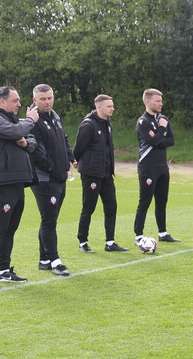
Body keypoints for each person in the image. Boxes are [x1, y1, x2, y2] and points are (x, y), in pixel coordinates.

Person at [0, 86, 40, 289]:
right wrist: (29, 121)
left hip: (16, 181)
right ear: (2, 101)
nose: (19, 104)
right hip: (0, 182)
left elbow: (31, 142)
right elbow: (17, 132)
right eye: (15, 100)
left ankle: (3, 270)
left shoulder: (10, 121)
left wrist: (24, 140)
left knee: (10, 229)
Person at [28, 84, 75, 276]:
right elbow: (34, 151)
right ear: (35, 100)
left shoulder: (55, 116)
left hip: (59, 177)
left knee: (50, 219)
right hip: (44, 179)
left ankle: (44, 260)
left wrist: (70, 157)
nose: (47, 102)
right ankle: (55, 261)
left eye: (49, 98)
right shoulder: (33, 121)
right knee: (48, 219)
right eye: (43, 99)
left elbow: (63, 139)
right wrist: (52, 168)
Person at [75, 95, 128, 253]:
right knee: (89, 207)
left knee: (111, 206)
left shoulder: (108, 124)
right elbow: (78, 149)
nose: (112, 108)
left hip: (106, 174)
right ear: (98, 107)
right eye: (109, 106)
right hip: (91, 174)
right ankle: (83, 242)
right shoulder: (88, 125)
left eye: (112, 106)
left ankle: (110, 242)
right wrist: (77, 162)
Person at [134, 88, 179, 244]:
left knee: (162, 201)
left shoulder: (163, 118)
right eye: (157, 101)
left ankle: (163, 233)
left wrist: (158, 137)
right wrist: (161, 130)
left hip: (162, 166)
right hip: (148, 167)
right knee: (145, 201)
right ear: (148, 102)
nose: (161, 103)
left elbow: (171, 140)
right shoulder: (143, 122)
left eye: (161, 101)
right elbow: (153, 142)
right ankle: (138, 235)